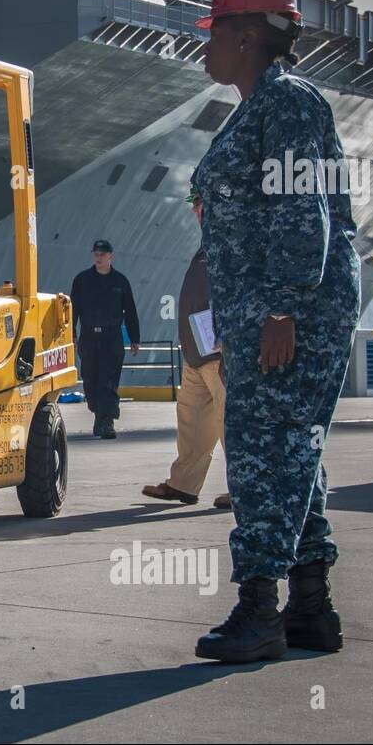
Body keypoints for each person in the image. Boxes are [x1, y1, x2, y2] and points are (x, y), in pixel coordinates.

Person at [189, 0, 360, 664]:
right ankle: (311, 610)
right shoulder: (258, 107)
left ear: (249, 35)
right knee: (293, 452)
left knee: (264, 453)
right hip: (262, 311)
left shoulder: (288, 104)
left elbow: (303, 210)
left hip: (288, 314)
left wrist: (285, 309)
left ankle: (258, 609)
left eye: (217, 29)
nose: (206, 43)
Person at [142, 192, 231, 509]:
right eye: (194, 204)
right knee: (192, 422)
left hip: (221, 353)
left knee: (230, 420)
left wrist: (230, 340)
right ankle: (183, 484)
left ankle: (247, 487)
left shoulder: (233, 241)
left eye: (200, 202)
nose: (195, 210)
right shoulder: (209, 244)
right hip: (197, 352)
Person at [70, 239, 140, 439]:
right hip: (89, 337)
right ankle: (99, 415)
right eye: (96, 253)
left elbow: (131, 312)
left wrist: (135, 338)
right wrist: (72, 335)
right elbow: (73, 310)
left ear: (111, 256)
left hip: (112, 337)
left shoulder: (120, 282)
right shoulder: (82, 280)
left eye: (102, 254)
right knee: (91, 383)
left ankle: (107, 422)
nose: (98, 257)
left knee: (108, 382)